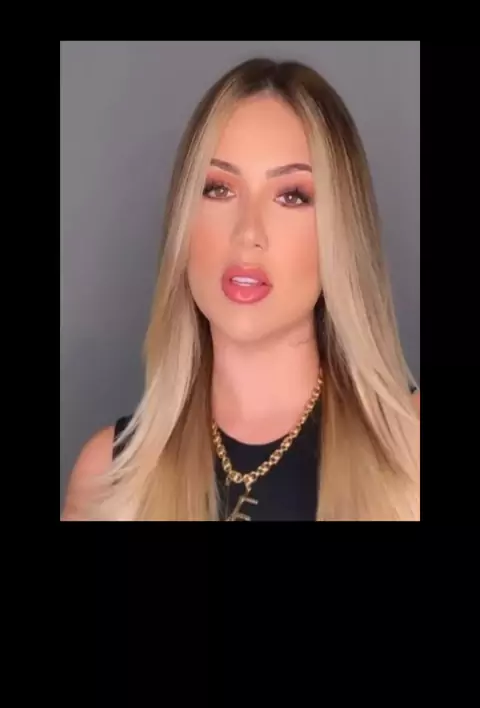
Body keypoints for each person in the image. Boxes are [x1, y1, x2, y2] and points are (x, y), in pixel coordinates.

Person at [62, 57, 420, 521]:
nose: (248, 232)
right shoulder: (109, 479)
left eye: (292, 196)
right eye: (218, 189)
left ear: (341, 233)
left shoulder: (410, 453)